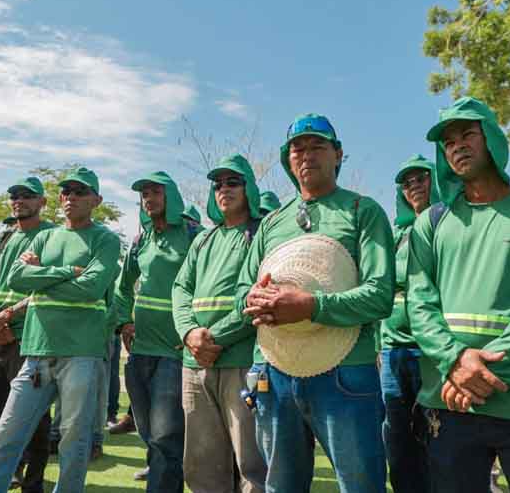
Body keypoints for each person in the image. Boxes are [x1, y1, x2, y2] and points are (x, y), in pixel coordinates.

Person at [408, 97, 510, 493]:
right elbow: (420, 305)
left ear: (494, 141)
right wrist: (454, 360)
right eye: (448, 142)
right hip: (449, 403)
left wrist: (482, 374)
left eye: (468, 134)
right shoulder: (431, 224)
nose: (457, 146)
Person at [237, 113, 395, 492]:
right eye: (298, 149)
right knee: (280, 485)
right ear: (287, 160)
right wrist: (250, 298)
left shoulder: (363, 211)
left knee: (360, 484)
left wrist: (312, 306)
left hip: (346, 373)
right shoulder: (272, 222)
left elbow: (380, 294)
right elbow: (241, 289)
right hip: (273, 371)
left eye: (317, 146)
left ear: (338, 154)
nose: (306, 155)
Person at [0, 167, 120, 493]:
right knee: (5, 435)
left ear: (96, 200)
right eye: (66, 191)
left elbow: (91, 287)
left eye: (79, 192)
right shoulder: (45, 236)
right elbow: (15, 278)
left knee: (74, 439)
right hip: (36, 352)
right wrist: (67, 271)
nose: (70, 197)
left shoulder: (105, 239)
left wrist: (40, 275)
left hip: (81, 352)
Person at [172, 154, 268, 493]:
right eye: (217, 184)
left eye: (232, 182)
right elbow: (180, 288)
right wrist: (188, 333)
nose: (223, 189)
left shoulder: (260, 234)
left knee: (251, 464)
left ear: (249, 189)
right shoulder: (203, 239)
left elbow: (257, 297)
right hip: (193, 364)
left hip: (240, 360)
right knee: (201, 463)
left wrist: (214, 339)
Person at [118, 171, 197, 491]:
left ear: (172, 197)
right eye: (144, 194)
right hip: (139, 353)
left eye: (155, 193)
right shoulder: (141, 240)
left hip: (174, 354)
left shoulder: (194, 235)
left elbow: (204, 284)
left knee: (166, 438)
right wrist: (124, 320)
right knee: (149, 435)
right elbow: (122, 287)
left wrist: (191, 330)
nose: (148, 199)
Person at [0, 177, 54, 492]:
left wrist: (8, 316)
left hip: (30, 339)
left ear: (42, 202)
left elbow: (51, 286)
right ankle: (4, 474)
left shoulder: (53, 237)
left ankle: (33, 483)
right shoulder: (4, 238)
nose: (18, 200)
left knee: (33, 418)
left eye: (27, 195)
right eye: (14, 195)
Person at [379, 154, 437, 493]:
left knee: (436, 438)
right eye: (406, 182)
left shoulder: (449, 225)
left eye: (420, 178)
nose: (413, 185)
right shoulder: (397, 235)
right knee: (398, 442)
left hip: (430, 352)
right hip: (392, 353)